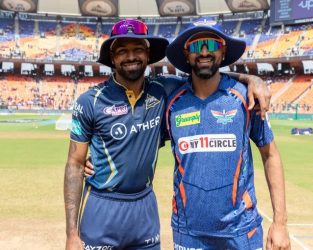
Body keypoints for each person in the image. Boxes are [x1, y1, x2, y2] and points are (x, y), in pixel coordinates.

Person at [70, 19, 271, 250]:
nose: (131, 56)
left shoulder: (163, 89)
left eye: (138, 50)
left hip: (145, 209)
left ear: (147, 55)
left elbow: (206, 75)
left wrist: (252, 79)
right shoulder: (91, 100)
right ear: (112, 58)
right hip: (102, 207)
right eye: (122, 51)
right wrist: (70, 234)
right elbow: (74, 164)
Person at [164, 24, 290, 249]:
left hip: (241, 231)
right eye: (195, 46)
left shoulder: (246, 97)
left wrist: (280, 223)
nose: (204, 52)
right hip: (188, 232)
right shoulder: (173, 102)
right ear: (186, 54)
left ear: (223, 52)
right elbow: (139, 137)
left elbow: (270, 156)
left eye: (212, 45)